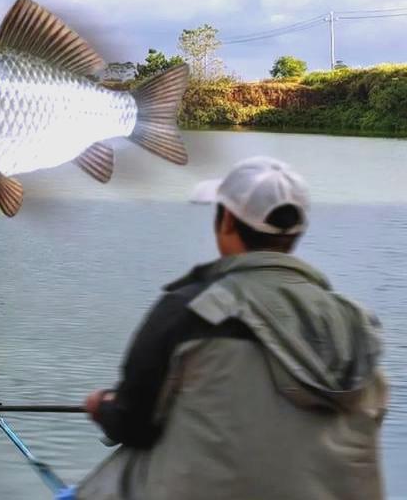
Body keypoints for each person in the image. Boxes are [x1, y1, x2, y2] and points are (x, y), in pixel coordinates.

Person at [78, 156, 388, 500]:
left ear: (226, 220)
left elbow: (133, 424)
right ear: (296, 232)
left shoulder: (190, 311)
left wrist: (103, 405)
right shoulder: (358, 325)